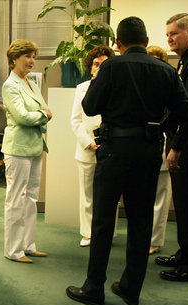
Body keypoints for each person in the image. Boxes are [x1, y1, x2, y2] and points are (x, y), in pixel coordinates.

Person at [66, 16, 188, 305]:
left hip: (114, 149)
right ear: (147, 42)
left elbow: (90, 106)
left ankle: (94, 287)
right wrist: (161, 125)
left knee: (103, 219)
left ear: (118, 44)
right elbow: (186, 111)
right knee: (140, 220)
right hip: (149, 150)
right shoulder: (166, 69)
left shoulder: (111, 66)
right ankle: (130, 288)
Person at [154, 13, 188, 305]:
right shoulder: (186, 61)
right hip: (183, 142)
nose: (170, 38)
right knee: (182, 204)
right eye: (168, 34)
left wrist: (178, 147)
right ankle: (186, 254)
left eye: (174, 33)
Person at [2, 39, 53, 263]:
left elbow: (36, 110)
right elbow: (23, 116)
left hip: (34, 146)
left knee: (31, 198)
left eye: (34, 56)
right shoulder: (10, 85)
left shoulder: (29, 83)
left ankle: (28, 245)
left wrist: (41, 115)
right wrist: (45, 116)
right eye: (27, 56)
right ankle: (13, 251)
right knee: (16, 199)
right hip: (18, 149)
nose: (32, 61)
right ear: (14, 59)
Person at [71, 45, 115, 247]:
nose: (99, 68)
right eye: (96, 64)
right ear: (90, 67)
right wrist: (89, 143)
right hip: (87, 148)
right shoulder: (81, 89)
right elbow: (76, 121)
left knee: (109, 195)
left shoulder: (117, 86)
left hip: (111, 148)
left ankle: (108, 233)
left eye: (104, 64)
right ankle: (88, 233)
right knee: (87, 195)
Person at [146, 45, 173, 255]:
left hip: (166, 144)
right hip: (145, 147)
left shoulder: (172, 83)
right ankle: (145, 237)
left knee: (161, 198)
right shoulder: (143, 84)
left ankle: (155, 240)